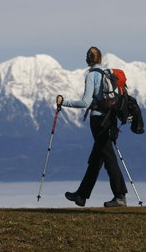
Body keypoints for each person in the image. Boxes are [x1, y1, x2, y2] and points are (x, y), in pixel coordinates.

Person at [59, 46, 128, 207]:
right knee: (96, 159)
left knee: (109, 158)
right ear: (101, 59)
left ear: (88, 60)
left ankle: (120, 196)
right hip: (110, 120)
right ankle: (81, 195)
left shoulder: (91, 76)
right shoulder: (108, 74)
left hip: (98, 122)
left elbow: (85, 102)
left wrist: (64, 102)